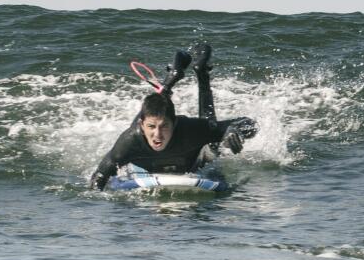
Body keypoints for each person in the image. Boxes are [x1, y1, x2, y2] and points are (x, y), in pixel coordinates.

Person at [89, 42, 258, 189]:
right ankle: (172, 78)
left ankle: (201, 73)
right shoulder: (128, 143)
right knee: (152, 113)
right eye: (151, 127)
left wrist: (232, 132)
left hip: (192, 160)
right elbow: (99, 177)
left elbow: (250, 124)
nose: (157, 134)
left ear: (175, 123)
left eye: (164, 126)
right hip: (144, 136)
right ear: (142, 126)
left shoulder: (188, 130)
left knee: (212, 145)